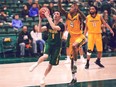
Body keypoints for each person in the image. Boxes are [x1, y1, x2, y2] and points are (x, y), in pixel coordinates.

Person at [29, 11, 65, 84]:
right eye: (54, 13)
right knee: (45, 56)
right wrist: (40, 19)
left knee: (51, 63)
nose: (55, 15)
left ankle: (43, 77)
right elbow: (39, 30)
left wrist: (48, 17)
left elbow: (54, 27)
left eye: (57, 14)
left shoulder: (61, 25)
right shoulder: (48, 24)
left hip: (57, 46)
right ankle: (36, 64)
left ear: (60, 17)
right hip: (49, 43)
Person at [58, 0, 86, 85]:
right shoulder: (67, 15)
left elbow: (85, 18)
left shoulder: (78, 16)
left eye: (72, 7)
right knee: (71, 60)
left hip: (80, 37)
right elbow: (60, 9)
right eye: (70, 7)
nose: (70, 8)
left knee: (74, 46)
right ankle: (74, 78)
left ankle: (76, 64)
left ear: (76, 8)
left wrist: (79, 10)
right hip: (72, 39)